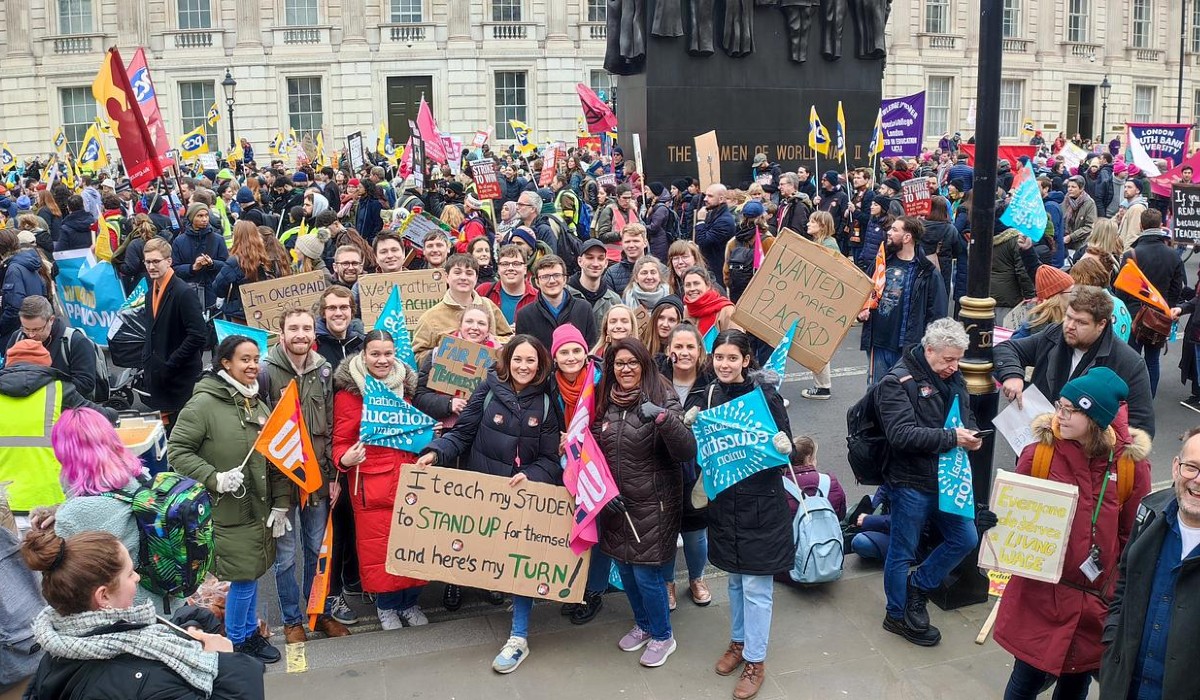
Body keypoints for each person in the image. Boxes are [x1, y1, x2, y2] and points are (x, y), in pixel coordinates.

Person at [993, 366, 1150, 699]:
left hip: (1096, 604)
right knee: (1024, 682)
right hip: (1042, 598)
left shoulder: (1128, 465)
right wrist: (993, 523)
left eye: (1069, 409)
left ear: (1094, 419)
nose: (1058, 415)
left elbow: (1133, 536)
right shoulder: (1040, 454)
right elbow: (1015, 518)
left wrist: (1113, 586)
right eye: (1058, 406)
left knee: (1075, 685)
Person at [415, 335, 562, 673]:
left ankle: (518, 637)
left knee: (519, 567)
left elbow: (551, 458)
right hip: (485, 497)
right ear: (506, 361)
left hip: (523, 498)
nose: (524, 367)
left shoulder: (545, 402)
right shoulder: (488, 390)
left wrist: (532, 475)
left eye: (531, 361)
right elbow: (462, 435)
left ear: (540, 365)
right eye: (518, 360)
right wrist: (435, 453)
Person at [19, 529, 265, 699]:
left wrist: (186, 622)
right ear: (103, 596)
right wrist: (225, 662)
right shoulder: (145, 682)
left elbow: (129, 637)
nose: (137, 577)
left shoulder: (58, 650)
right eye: (129, 573)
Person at [167, 335, 290, 664]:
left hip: (258, 509)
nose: (253, 366)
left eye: (255, 359)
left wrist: (281, 503)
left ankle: (248, 634)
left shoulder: (257, 404)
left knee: (251, 575)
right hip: (227, 511)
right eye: (244, 360)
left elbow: (274, 458)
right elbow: (177, 452)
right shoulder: (203, 405)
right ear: (226, 363)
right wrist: (214, 478)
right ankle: (238, 644)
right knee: (244, 579)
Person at [876, 319, 985, 647]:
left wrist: (973, 433)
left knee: (965, 537)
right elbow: (900, 434)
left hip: (948, 478)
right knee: (902, 550)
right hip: (911, 481)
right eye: (948, 360)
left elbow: (963, 414)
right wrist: (953, 437)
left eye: (958, 360)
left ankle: (918, 587)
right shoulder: (897, 381)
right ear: (929, 350)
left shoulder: (953, 375)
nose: (954, 367)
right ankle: (896, 615)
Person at [591, 337, 696, 669]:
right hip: (617, 503)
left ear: (644, 365)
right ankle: (644, 625)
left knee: (646, 573)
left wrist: (664, 419)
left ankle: (664, 635)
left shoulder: (663, 395)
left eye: (632, 363)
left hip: (654, 504)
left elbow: (686, 450)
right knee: (623, 567)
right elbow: (595, 445)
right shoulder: (605, 400)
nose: (625, 370)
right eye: (618, 364)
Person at [700, 329, 794, 700]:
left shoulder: (766, 397)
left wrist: (783, 445)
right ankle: (738, 642)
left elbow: (784, 448)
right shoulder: (709, 394)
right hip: (727, 503)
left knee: (757, 587)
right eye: (719, 357)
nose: (724, 364)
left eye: (731, 358)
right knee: (736, 581)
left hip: (760, 503)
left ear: (746, 361)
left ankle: (755, 660)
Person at [24, 407, 177, 612]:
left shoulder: (74, 514)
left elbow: (68, 580)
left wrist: (46, 534)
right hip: (168, 599)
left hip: (129, 611)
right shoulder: (139, 477)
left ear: (64, 453)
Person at [262, 309, 351, 642]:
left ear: (315, 334)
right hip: (280, 481)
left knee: (317, 549)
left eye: (306, 328)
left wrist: (332, 477)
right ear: (281, 332)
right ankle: (291, 621)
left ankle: (320, 614)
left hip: (316, 477)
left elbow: (329, 425)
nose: (300, 334)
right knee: (284, 557)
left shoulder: (324, 370)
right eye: (293, 328)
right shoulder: (265, 372)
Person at [332, 329, 428, 629]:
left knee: (413, 545)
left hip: (410, 478)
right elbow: (339, 441)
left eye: (388, 353)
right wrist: (344, 459)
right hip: (371, 483)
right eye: (375, 353)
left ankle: (410, 603)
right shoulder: (348, 395)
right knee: (380, 549)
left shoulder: (409, 389)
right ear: (363, 355)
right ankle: (386, 607)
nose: (382, 360)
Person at [1099, 426, 1200, 700]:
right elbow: (1124, 582)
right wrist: (1112, 641)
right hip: (1125, 687)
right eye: (1192, 467)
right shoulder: (1151, 512)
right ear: (1176, 467)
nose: (1197, 481)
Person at [995, 286, 1155, 437]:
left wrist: (1093, 440)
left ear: (1101, 324)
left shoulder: (1128, 362)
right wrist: (1012, 375)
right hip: (1037, 447)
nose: (1070, 326)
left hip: (1086, 458)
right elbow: (1007, 348)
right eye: (1069, 317)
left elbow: (1141, 426)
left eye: (1081, 322)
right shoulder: (1054, 335)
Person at [0, 340, 117, 511]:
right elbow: (96, 416)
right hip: (48, 501)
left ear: (9, 363)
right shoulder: (58, 389)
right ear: (45, 363)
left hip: (3, 502)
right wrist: (113, 413)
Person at [657, 323, 713, 608]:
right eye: (678, 346)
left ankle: (696, 578)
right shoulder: (655, 381)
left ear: (700, 352)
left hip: (698, 469)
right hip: (661, 467)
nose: (684, 352)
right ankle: (667, 582)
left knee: (695, 530)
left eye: (690, 346)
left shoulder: (711, 384)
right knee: (665, 528)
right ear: (668, 351)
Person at [858, 217, 948, 385]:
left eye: (894, 230)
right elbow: (864, 292)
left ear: (907, 238)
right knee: (876, 392)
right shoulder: (881, 262)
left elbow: (937, 314)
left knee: (902, 395)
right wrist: (862, 309)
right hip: (878, 342)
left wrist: (930, 349)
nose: (889, 233)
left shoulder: (927, 272)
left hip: (907, 348)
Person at [141, 238, 208, 433]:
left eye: (156, 261)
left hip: (180, 378)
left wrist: (171, 363)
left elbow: (198, 335)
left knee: (183, 434)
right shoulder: (151, 292)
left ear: (169, 261)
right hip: (161, 376)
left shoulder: (183, 292)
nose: (151, 266)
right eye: (148, 262)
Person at [1118, 208, 1185, 398]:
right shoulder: (1173, 255)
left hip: (1134, 315)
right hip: (1160, 316)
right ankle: (1149, 398)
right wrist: (1166, 308)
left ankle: (1128, 399)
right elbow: (1176, 288)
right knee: (1153, 360)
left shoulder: (1131, 254)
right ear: (1160, 226)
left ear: (1141, 225)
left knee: (1130, 359)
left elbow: (1121, 289)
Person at [411, 254, 512, 360]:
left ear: (476, 278)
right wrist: (445, 352)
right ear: (446, 277)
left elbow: (508, 339)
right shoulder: (430, 317)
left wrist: (486, 341)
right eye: (457, 272)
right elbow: (417, 356)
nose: (463, 277)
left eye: (469, 273)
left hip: (488, 374)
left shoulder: (489, 306)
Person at [3, 296, 98, 401]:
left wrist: (45, 392)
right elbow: (5, 373)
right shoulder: (17, 337)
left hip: (65, 408)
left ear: (51, 320)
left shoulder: (76, 341)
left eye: (36, 329)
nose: (30, 335)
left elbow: (86, 383)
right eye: (26, 328)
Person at [516, 254, 599, 349]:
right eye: (545, 276)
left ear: (565, 279)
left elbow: (591, 348)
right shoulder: (525, 315)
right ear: (537, 282)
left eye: (556, 275)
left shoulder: (584, 309)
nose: (552, 281)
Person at [800, 212, 841, 400]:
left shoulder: (829, 245)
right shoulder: (820, 243)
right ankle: (821, 385)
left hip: (823, 302)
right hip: (818, 300)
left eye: (812, 222)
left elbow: (831, 273)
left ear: (822, 226)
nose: (808, 224)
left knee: (817, 345)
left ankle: (823, 387)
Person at [213, 221, 273, 324]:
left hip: (240, 311)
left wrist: (222, 297)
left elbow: (218, 285)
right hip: (263, 306)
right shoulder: (264, 257)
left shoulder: (235, 261)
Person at [171, 203, 229, 310]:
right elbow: (174, 268)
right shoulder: (179, 241)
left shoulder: (218, 239)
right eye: (200, 216)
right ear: (192, 218)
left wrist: (212, 263)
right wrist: (192, 268)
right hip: (189, 292)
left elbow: (226, 265)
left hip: (212, 293)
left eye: (206, 215)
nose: (204, 219)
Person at [0, 232, 50, 340]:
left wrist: (1, 326)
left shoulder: (13, 269)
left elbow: (14, 306)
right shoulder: (27, 264)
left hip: (18, 332)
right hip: (31, 327)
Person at [568, 239, 624, 328]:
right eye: (590, 258)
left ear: (606, 263)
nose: (595, 263)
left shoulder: (614, 300)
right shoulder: (565, 295)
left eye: (600, 258)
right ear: (580, 261)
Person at [477, 244, 537, 325]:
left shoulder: (537, 297)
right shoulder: (483, 291)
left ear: (525, 269)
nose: (510, 268)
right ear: (498, 269)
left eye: (516, 264)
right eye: (505, 264)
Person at [1010, 265, 1074, 339]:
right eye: (1072, 291)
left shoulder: (1074, 317)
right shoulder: (1032, 324)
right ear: (1057, 297)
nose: (1077, 294)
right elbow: (1011, 346)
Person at [682, 266, 739, 337]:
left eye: (696, 283)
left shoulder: (726, 310)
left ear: (708, 285)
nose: (692, 288)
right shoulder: (684, 311)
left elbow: (738, 343)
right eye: (688, 285)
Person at [694, 184, 737, 275]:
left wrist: (700, 221)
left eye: (710, 196)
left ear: (721, 199)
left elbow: (703, 242)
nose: (705, 199)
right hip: (709, 267)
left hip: (717, 270)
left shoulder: (724, 221)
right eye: (705, 195)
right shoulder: (712, 214)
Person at [1062, 176, 1097, 251]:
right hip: (1064, 242)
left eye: (1073, 187)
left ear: (1081, 189)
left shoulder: (1089, 203)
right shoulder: (1065, 200)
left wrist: (1071, 237)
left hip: (1080, 244)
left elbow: (1089, 226)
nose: (1070, 189)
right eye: (1068, 186)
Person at [643, 294, 683, 359]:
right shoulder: (641, 345)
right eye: (661, 318)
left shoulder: (683, 351)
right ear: (654, 319)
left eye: (672, 320)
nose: (665, 324)